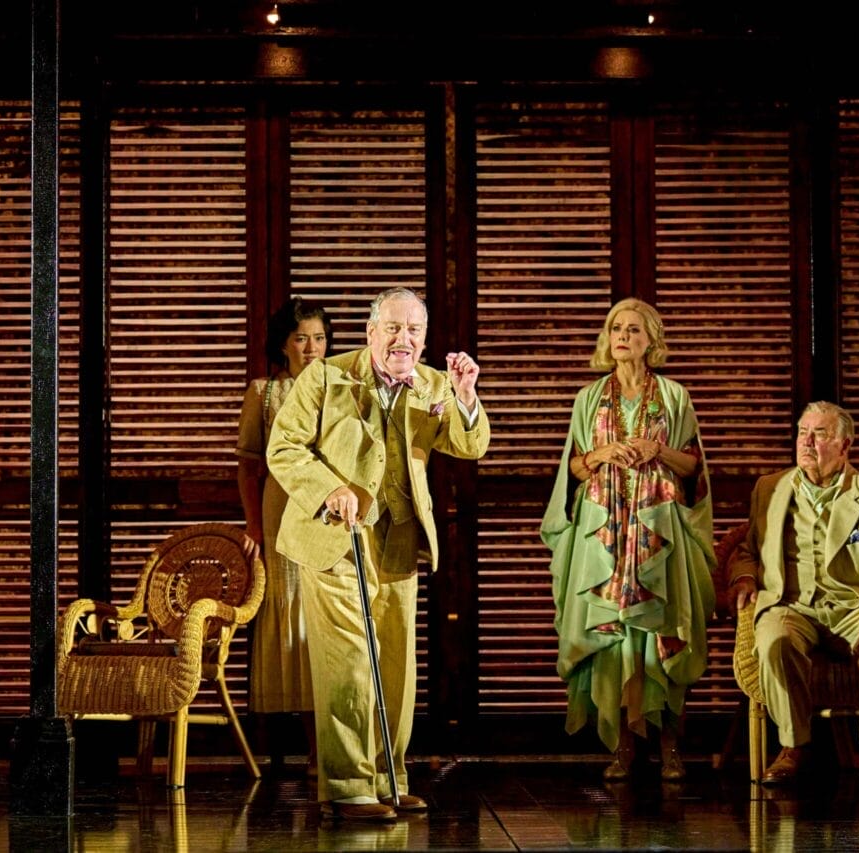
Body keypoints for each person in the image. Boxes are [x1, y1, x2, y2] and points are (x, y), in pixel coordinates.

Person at [266, 286, 490, 822]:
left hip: (399, 538)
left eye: (413, 330)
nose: (402, 340)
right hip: (335, 539)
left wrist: (465, 396)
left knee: (395, 663)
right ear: (370, 333)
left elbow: (470, 445)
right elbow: (283, 447)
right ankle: (348, 787)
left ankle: (389, 779)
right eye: (392, 328)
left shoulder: (433, 383)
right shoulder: (325, 377)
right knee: (347, 660)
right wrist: (329, 489)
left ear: (424, 338)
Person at [541, 298, 715, 782]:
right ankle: (621, 748)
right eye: (616, 328)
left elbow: (693, 468)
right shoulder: (589, 398)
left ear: (651, 339)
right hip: (605, 531)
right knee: (613, 634)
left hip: (658, 532)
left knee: (662, 632)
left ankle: (671, 746)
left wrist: (657, 450)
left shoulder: (675, 396)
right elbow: (574, 470)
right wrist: (601, 454)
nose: (623, 336)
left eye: (634, 329)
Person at [727, 401, 859, 788]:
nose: (807, 442)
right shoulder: (770, 488)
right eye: (803, 432)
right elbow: (747, 549)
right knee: (774, 639)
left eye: (820, 434)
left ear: (845, 445)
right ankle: (793, 746)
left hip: (851, 606)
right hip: (791, 604)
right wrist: (744, 577)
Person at [236, 296, 332, 775]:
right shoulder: (264, 393)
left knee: (329, 621)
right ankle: (307, 747)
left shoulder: (342, 387)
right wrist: (254, 524)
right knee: (292, 617)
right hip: (282, 512)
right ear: (283, 344)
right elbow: (248, 466)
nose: (312, 348)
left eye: (319, 338)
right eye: (301, 339)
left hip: (331, 509)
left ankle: (334, 750)